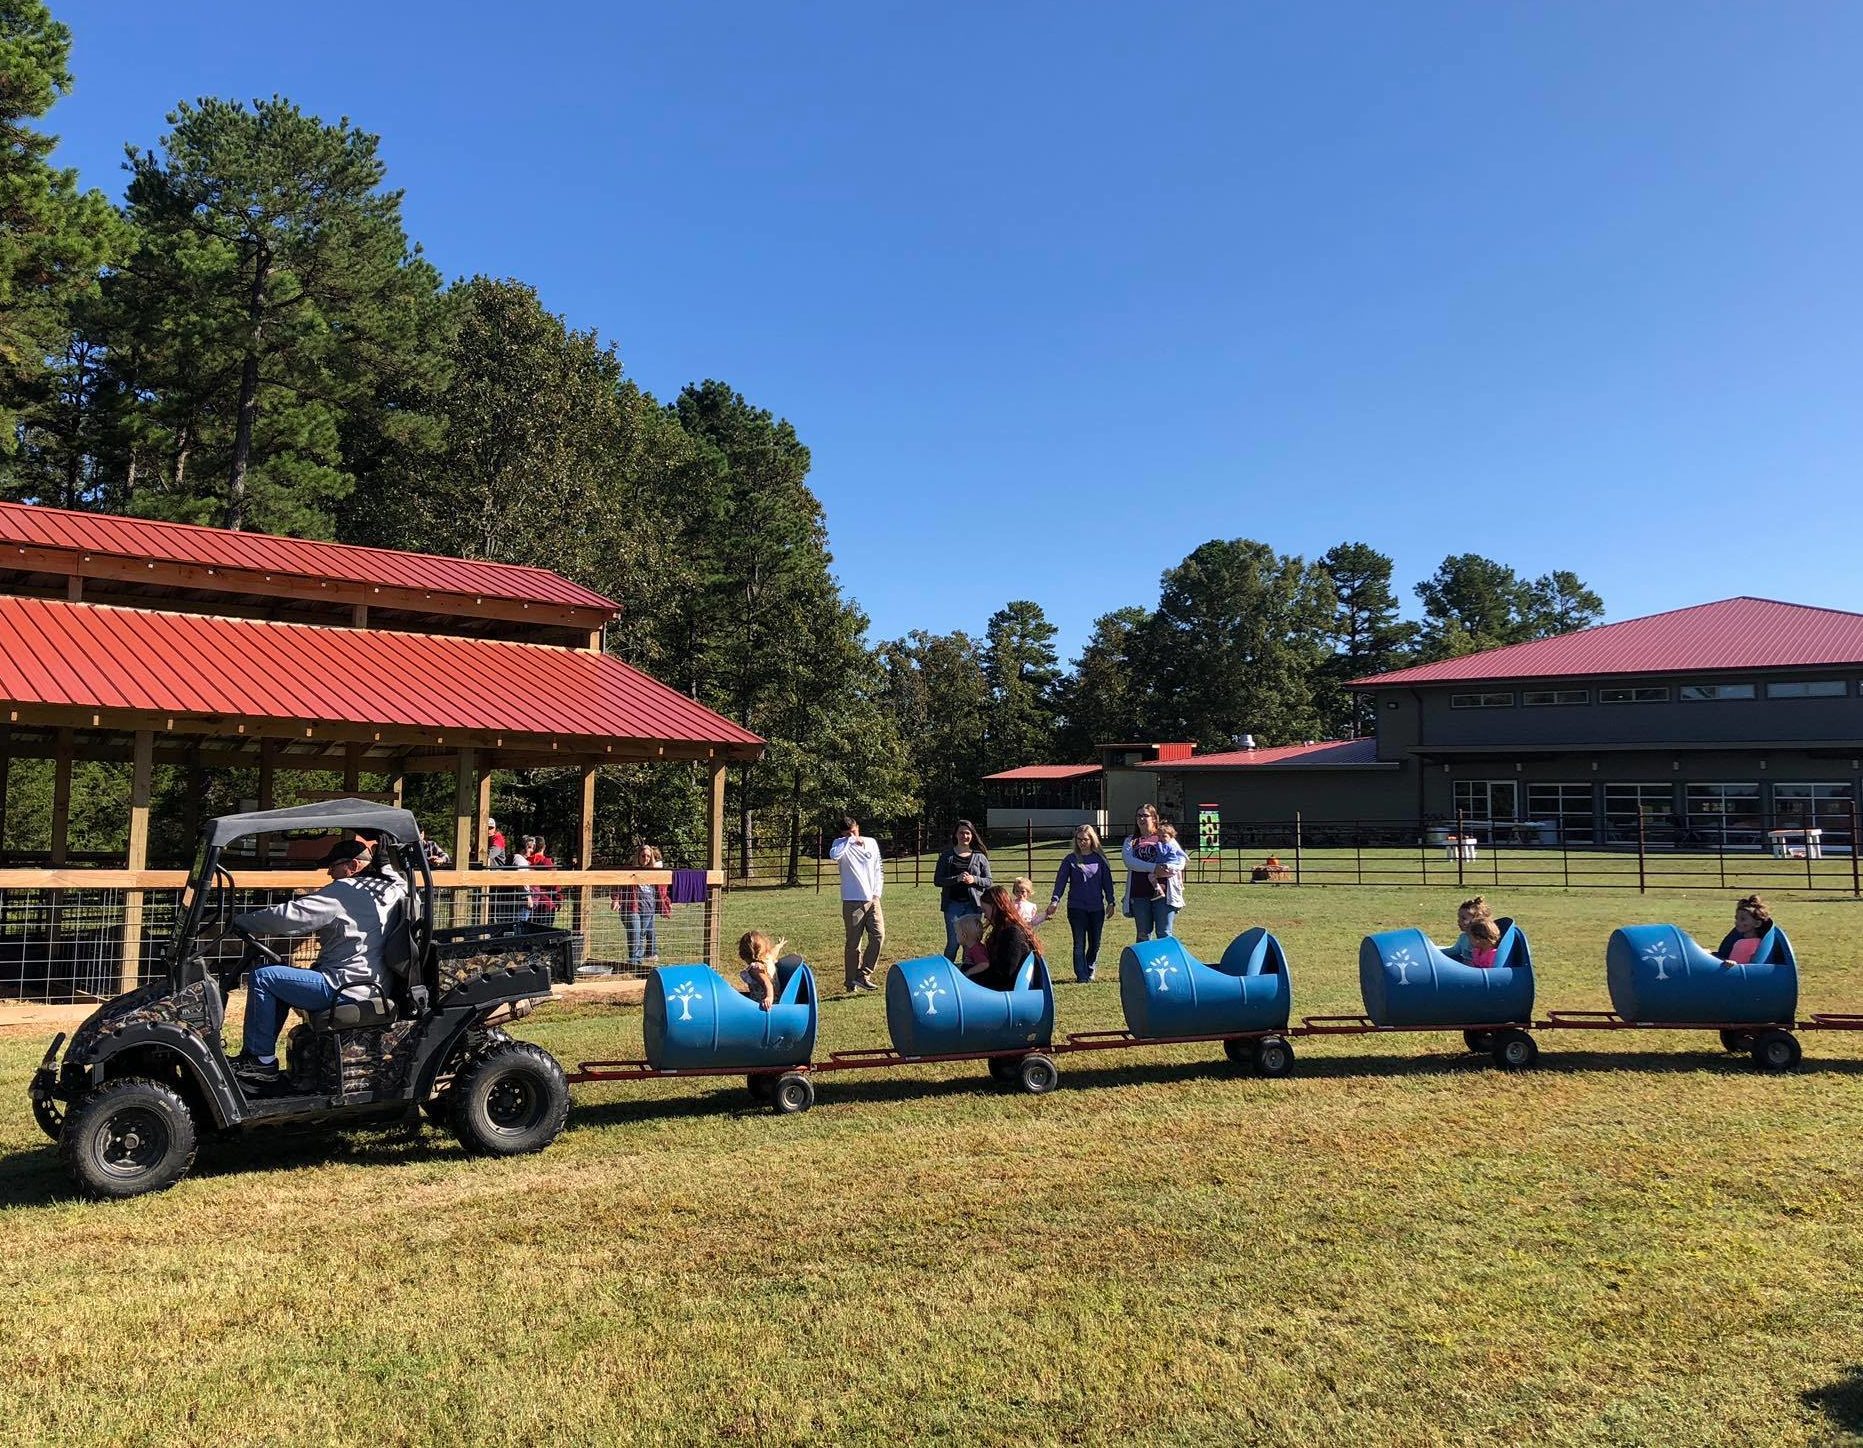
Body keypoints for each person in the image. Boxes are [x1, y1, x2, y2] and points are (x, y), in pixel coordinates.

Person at [226, 839, 409, 1088]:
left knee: (264, 977)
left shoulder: (343, 892)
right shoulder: (390, 888)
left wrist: (241, 921)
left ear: (353, 865)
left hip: (344, 988)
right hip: (369, 984)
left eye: (333, 866)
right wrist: (385, 864)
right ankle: (263, 1060)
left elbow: (289, 918)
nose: (329, 872)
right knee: (279, 979)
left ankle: (260, 1063)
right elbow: (396, 877)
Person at [1045, 824, 1117, 982]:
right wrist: (1055, 901)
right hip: (1076, 908)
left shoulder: (1100, 860)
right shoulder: (1070, 860)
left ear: (1092, 840)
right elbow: (1060, 882)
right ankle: (1081, 975)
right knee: (1079, 943)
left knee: (1095, 943)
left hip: (1096, 908)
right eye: (1079, 839)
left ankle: (1090, 969)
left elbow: (1107, 883)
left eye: (1085, 839)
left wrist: (1111, 902)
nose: (1082, 842)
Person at [828, 815, 885, 993]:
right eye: (847, 833)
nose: (852, 835)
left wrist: (877, 894)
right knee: (853, 943)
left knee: (878, 936)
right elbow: (834, 856)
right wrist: (848, 840)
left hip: (872, 899)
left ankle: (864, 973)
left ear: (858, 827)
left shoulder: (871, 842)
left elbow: (878, 868)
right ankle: (850, 981)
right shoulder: (839, 844)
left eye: (853, 831)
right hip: (852, 900)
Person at [1122, 804, 1186, 941]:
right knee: (1143, 934)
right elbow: (1130, 862)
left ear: (1154, 818)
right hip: (1139, 893)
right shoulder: (1131, 840)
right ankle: (1144, 963)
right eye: (1139, 815)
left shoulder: (1164, 836)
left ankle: (1167, 962)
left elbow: (1180, 860)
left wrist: (1168, 868)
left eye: (1145, 815)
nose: (1141, 819)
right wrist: (1154, 868)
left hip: (1164, 894)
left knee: (1164, 933)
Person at [933, 821, 992, 962]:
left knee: (971, 944)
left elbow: (989, 881)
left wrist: (974, 879)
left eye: (967, 833)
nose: (964, 836)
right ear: (955, 835)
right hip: (953, 905)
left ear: (972, 835)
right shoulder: (946, 856)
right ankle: (947, 972)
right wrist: (956, 879)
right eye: (961, 832)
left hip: (974, 906)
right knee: (953, 943)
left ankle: (968, 973)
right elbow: (937, 880)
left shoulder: (980, 857)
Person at [974, 884, 1041, 991]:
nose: (985, 916)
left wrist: (972, 978)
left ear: (995, 907)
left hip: (1009, 991)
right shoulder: (1002, 930)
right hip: (1003, 985)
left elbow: (1006, 974)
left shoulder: (1012, 933)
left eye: (985, 910)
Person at [611, 843, 664, 966]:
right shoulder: (629, 870)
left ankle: (637, 964)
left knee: (640, 935)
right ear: (638, 856)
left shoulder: (654, 872)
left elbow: (661, 889)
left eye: (648, 856)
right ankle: (633, 963)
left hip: (648, 908)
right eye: (643, 855)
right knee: (634, 935)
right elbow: (617, 884)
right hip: (631, 908)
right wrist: (616, 899)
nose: (645, 858)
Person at [737, 930, 784, 1010]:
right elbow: (773, 953)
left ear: (743, 955)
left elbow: (767, 983)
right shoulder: (768, 958)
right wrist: (779, 946)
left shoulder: (755, 969)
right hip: (776, 1000)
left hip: (761, 1005)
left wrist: (768, 997)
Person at [1721, 894, 1772, 966]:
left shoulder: (1758, 945)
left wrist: (1735, 964)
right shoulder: (1738, 941)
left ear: (1757, 924)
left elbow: (1752, 967)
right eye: (1736, 918)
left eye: (1743, 919)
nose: (1737, 922)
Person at [527, 835, 561, 928]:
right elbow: (555, 884)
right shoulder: (547, 863)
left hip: (530, 903)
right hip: (546, 904)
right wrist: (558, 900)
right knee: (546, 932)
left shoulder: (526, 862)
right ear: (544, 847)